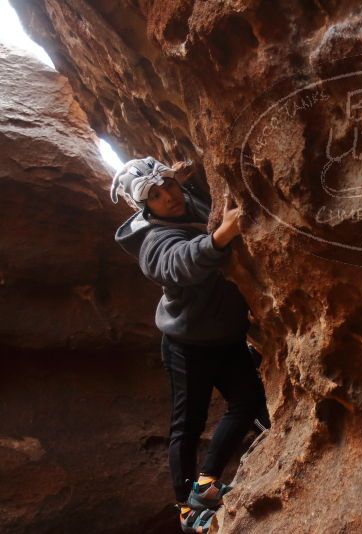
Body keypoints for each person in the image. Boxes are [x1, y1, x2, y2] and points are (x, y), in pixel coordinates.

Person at [111, 156, 270, 533]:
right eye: (155, 194)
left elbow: (205, 207)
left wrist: (185, 181)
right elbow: (178, 263)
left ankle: (206, 484)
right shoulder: (153, 241)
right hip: (187, 345)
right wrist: (221, 237)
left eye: (168, 185)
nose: (168, 196)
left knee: (248, 403)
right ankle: (186, 507)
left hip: (227, 335)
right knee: (187, 423)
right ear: (143, 205)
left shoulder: (183, 202)